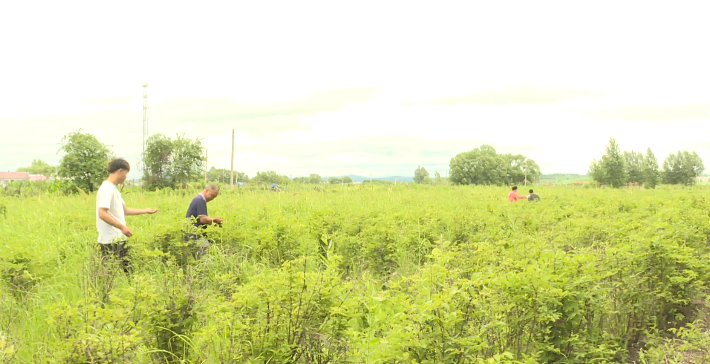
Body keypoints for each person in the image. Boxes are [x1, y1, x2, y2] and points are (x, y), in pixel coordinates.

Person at [96, 158, 158, 273]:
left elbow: (124, 210)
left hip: (118, 238)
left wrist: (145, 211)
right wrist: (122, 227)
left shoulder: (113, 189)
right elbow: (102, 213)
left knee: (128, 270)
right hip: (110, 240)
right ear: (120, 171)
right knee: (109, 274)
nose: (125, 177)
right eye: (126, 173)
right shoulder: (107, 189)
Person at [185, 183, 223, 256]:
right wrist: (215, 219)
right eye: (212, 195)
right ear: (206, 191)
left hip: (193, 234)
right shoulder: (200, 200)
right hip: (194, 235)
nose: (212, 198)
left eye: (214, 197)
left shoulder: (198, 199)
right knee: (204, 254)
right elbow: (203, 219)